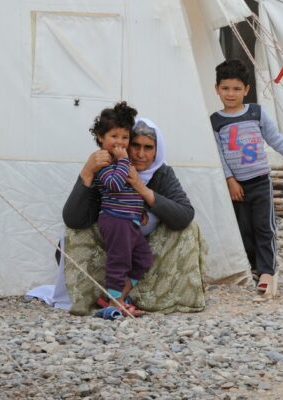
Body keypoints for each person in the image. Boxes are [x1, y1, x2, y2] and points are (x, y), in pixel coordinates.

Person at [61, 114, 206, 315]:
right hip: (113, 241)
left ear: (157, 151)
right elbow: (73, 220)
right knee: (104, 247)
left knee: (188, 230)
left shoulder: (161, 173)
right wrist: (86, 172)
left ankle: (123, 296)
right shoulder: (108, 169)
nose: (140, 154)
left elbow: (184, 215)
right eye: (135, 145)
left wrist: (141, 188)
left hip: (146, 245)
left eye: (148, 148)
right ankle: (109, 298)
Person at [210, 58, 283, 299]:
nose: (231, 93)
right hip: (237, 185)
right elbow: (219, 155)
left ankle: (268, 271)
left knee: (264, 227)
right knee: (244, 228)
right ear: (217, 88)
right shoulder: (216, 121)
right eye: (226, 88)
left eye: (237, 88)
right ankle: (253, 267)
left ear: (247, 90)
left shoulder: (255, 113)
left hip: (259, 181)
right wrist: (230, 180)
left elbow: (275, 138)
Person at [89, 102, 152, 317]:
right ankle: (114, 306)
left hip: (130, 221)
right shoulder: (104, 162)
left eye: (125, 137)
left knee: (143, 259)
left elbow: (131, 191)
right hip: (115, 220)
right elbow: (114, 185)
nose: (120, 142)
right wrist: (123, 160)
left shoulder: (122, 162)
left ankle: (115, 299)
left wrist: (139, 211)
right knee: (119, 262)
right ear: (101, 137)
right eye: (114, 136)